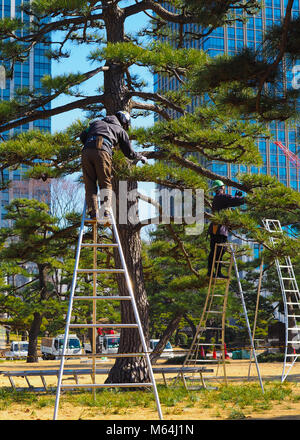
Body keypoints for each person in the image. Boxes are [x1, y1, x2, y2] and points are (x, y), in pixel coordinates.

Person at [80, 110, 147, 220]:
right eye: (125, 125)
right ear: (123, 121)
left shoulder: (96, 123)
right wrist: (140, 157)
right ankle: (105, 211)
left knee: (90, 184)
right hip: (102, 151)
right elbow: (129, 153)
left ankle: (93, 212)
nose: (125, 127)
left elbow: (83, 136)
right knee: (105, 182)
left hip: (86, 152)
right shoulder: (119, 130)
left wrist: (90, 144)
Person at [207, 180, 245, 278]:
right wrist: (241, 198)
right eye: (223, 187)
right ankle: (213, 272)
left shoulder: (218, 198)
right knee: (217, 250)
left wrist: (236, 197)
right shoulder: (221, 197)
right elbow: (234, 201)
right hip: (218, 229)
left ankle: (214, 272)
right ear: (221, 188)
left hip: (218, 228)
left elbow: (230, 202)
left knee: (218, 251)